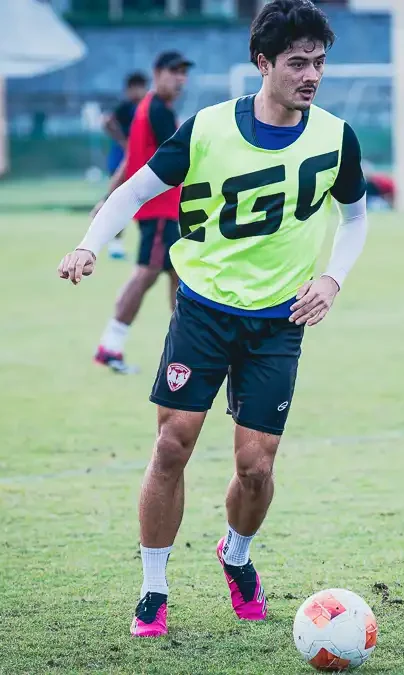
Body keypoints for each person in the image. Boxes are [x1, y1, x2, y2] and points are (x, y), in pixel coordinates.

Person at [57, 0, 369, 637]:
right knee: (173, 443)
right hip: (202, 307)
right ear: (263, 63)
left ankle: (237, 553)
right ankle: (153, 587)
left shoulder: (335, 137)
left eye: (319, 63)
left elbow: (357, 217)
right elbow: (136, 190)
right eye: (297, 63)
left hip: (279, 320)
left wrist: (332, 279)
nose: (311, 75)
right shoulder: (206, 129)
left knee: (256, 467)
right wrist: (91, 242)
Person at [92, 51, 192, 374]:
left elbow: (129, 160)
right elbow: (179, 162)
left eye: (183, 73)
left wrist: (107, 198)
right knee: (146, 273)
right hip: (160, 210)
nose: (180, 79)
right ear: (157, 73)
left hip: (163, 211)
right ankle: (110, 345)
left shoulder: (144, 109)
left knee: (180, 276)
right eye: (174, 72)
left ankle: (185, 349)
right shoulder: (158, 112)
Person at [103, 72, 148, 260]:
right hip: (122, 162)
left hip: (141, 164)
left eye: (142, 87)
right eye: (135, 87)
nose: (139, 91)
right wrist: (124, 142)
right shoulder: (126, 108)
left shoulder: (148, 108)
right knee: (119, 201)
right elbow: (107, 122)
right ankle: (115, 243)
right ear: (129, 90)